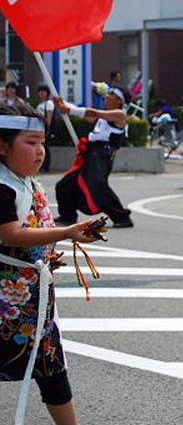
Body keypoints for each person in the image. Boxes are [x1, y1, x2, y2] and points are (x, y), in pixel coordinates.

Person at [0, 103, 100, 425]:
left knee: (52, 369)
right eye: (31, 142)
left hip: (34, 300)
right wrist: (68, 231)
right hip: (7, 303)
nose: (40, 151)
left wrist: (51, 251)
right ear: (2, 146)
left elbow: (35, 230)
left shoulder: (26, 181)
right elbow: (10, 233)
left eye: (42, 141)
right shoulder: (3, 187)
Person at [54, 87, 134, 228]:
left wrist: (68, 109)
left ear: (120, 101)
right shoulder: (103, 117)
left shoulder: (120, 115)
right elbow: (86, 114)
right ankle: (68, 215)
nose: (107, 97)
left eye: (112, 95)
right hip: (90, 153)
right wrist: (63, 104)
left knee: (97, 185)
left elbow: (92, 112)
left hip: (102, 155)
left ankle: (122, 217)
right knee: (64, 185)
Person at [36, 85, 56, 172]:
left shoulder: (49, 103)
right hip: (39, 129)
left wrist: (47, 129)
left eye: (43, 91)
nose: (41, 93)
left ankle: (46, 166)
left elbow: (49, 117)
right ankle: (42, 165)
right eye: (40, 91)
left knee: (45, 148)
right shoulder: (40, 104)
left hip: (45, 129)